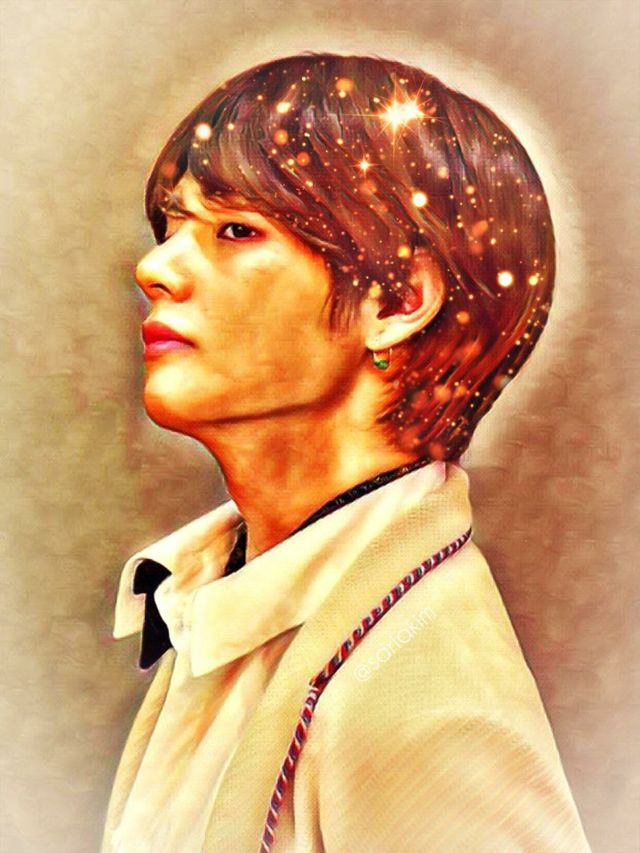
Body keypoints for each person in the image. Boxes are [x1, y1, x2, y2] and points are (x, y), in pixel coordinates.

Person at [102, 52, 592, 852]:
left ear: (397, 301)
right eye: (173, 226)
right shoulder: (217, 602)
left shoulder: (423, 708)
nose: (154, 267)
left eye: (235, 230)